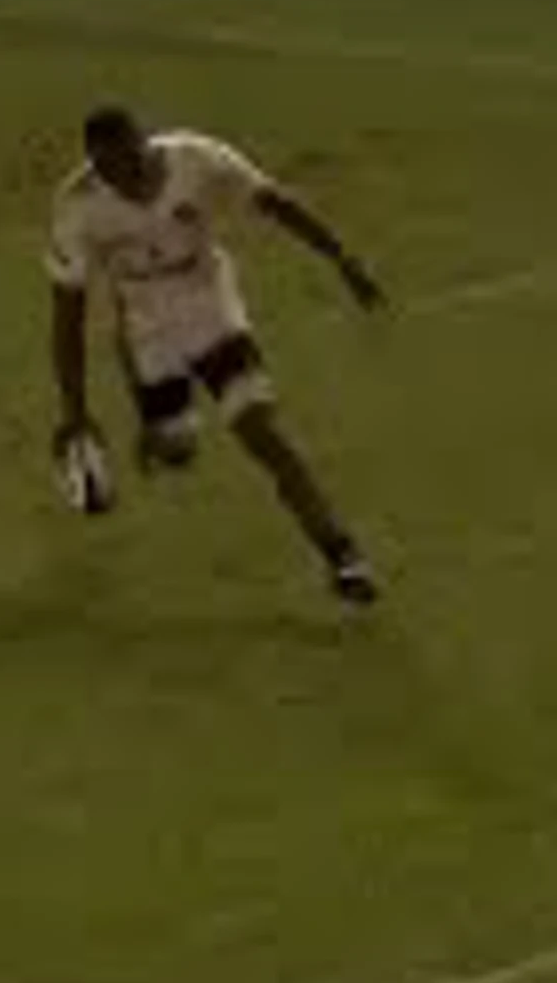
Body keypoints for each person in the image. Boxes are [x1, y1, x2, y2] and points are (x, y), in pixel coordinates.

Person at [45, 106, 384, 607]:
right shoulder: (77, 208)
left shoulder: (197, 158)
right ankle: (157, 428)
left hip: (209, 302)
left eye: (129, 165)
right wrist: (74, 414)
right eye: (108, 172)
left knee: (263, 434)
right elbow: (67, 316)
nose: (123, 180)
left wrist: (341, 258)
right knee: (178, 450)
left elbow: (276, 203)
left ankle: (343, 556)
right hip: (145, 324)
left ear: (146, 144)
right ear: (94, 165)